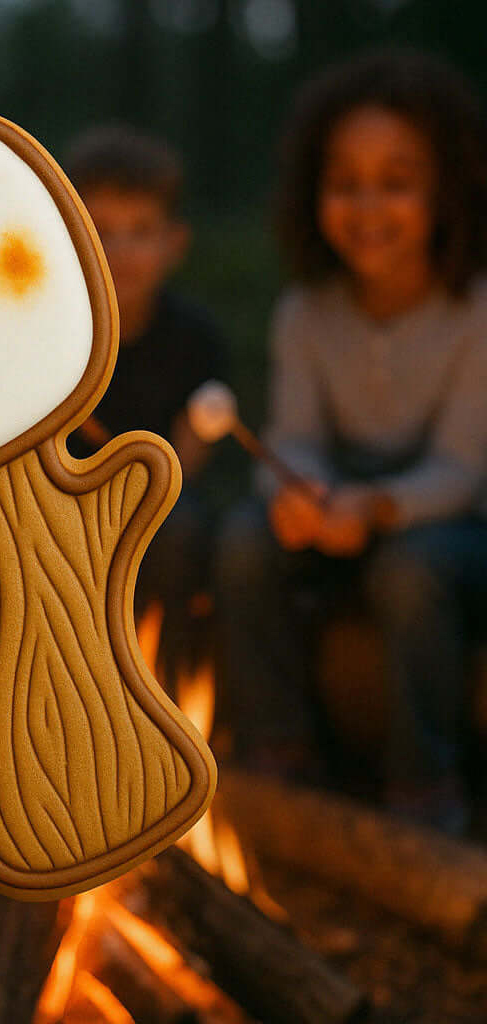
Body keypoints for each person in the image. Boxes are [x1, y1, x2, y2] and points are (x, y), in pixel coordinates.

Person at [215, 51, 487, 833]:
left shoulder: (472, 313)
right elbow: (293, 440)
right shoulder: (307, 312)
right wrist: (297, 493)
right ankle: (279, 757)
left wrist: (378, 507)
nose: (367, 206)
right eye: (345, 182)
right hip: (337, 501)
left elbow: (464, 468)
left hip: (447, 522)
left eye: (396, 181)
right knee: (243, 542)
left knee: (412, 569)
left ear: (448, 191)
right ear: (313, 191)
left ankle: (424, 792)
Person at [65, 124, 229, 683]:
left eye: (141, 231)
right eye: (102, 231)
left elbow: (187, 465)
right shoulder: (47, 337)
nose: (121, 252)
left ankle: (168, 692)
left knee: (179, 533)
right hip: (67, 502)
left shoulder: (195, 339)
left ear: (173, 243)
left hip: (163, 505)